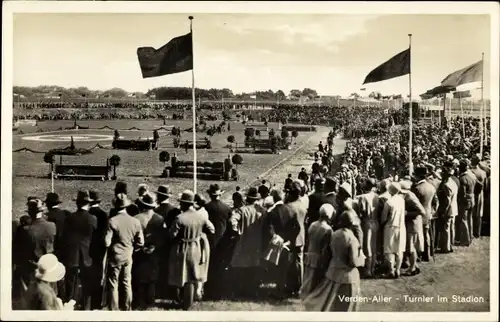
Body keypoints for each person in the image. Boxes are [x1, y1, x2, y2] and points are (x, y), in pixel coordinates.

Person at [301, 208, 365, 311]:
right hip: (347, 278)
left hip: (332, 272)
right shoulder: (352, 239)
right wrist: (362, 260)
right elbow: (353, 261)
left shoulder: (335, 234)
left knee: (330, 301)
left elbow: (328, 252)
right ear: (351, 224)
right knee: (345, 306)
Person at [168, 190, 215, 310]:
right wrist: (201, 234)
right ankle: (190, 300)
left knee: (182, 274)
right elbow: (212, 229)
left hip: (182, 247)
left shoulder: (179, 218)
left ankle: (182, 299)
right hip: (196, 247)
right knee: (193, 274)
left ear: (184, 204)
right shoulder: (201, 216)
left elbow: (171, 235)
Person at [105, 193, 144, 311]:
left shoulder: (112, 221)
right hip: (128, 254)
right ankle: (128, 307)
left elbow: (107, 242)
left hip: (115, 256)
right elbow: (141, 242)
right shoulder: (135, 221)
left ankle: (114, 308)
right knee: (127, 282)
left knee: (113, 283)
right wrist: (133, 248)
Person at [60, 191, 97, 310]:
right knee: (86, 280)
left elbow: (64, 236)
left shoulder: (70, 218)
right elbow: (94, 237)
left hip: (72, 252)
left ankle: (70, 303)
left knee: (71, 280)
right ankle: (86, 305)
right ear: (88, 204)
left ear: (77, 203)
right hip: (87, 253)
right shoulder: (92, 219)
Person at [262, 189, 300, 299]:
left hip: (276, 245)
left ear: (274, 198)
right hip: (287, 244)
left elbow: (269, 230)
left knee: (277, 269)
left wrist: (276, 239)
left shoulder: (271, 213)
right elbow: (296, 228)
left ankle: (278, 291)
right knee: (286, 267)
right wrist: (289, 240)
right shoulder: (291, 210)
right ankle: (285, 290)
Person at [14, 199, 56, 298]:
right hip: (48, 267)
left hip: (31, 268)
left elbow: (18, 251)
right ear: (41, 212)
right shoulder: (52, 226)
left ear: (30, 213)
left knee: (31, 298)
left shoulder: (25, 230)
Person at [229, 187, 265, 295]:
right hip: (257, 241)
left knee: (242, 264)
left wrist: (236, 231)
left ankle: (241, 288)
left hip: (244, 240)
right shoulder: (262, 211)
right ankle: (253, 289)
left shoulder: (242, 210)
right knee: (254, 264)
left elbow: (232, 220)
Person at [133, 192, 164, 310]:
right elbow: (162, 237)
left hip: (139, 251)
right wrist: (154, 247)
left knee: (139, 276)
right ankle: (150, 301)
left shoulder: (136, 218)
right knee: (152, 277)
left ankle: (139, 301)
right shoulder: (159, 219)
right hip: (154, 251)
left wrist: (140, 247)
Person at [203, 184, 232, 299]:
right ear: (220, 194)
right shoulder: (226, 208)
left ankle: (209, 291)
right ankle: (219, 292)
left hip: (209, 240)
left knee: (209, 267)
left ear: (210, 194)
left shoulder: (206, 207)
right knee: (220, 267)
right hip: (222, 241)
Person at [300, 204, 334, 301]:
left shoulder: (312, 225)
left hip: (310, 254)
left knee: (308, 278)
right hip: (319, 256)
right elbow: (325, 248)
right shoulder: (328, 229)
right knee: (316, 280)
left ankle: (305, 296)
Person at [284, 182, 308, 297]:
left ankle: (291, 286)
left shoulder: (289, 206)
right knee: (299, 262)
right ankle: (299, 286)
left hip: (290, 237)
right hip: (301, 236)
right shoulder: (303, 204)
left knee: (290, 263)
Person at [411, 167, 439, 262]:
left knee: (418, 236)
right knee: (426, 234)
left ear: (418, 176)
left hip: (418, 215)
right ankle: (427, 254)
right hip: (428, 213)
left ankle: (419, 255)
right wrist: (432, 212)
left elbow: (413, 203)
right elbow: (436, 202)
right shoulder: (431, 186)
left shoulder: (416, 188)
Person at [399, 180, 425, 276]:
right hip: (411, 224)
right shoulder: (409, 195)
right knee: (411, 246)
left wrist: (407, 214)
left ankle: (413, 267)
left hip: (413, 224)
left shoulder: (410, 197)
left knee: (411, 247)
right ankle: (414, 265)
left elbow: (422, 211)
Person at [380, 182, 406, 278]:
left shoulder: (389, 202)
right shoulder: (402, 200)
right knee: (399, 249)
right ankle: (398, 270)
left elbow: (383, 217)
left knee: (389, 250)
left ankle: (391, 270)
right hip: (401, 226)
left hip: (390, 227)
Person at [88, 190, 108, 310]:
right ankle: (98, 301)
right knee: (99, 275)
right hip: (99, 248)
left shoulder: (89, 213)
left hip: (88, 247)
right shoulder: (103, 215)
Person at [357, 178, 380, 278]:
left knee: (367, 246)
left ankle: (368, 269)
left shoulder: (363, 197)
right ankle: (373, 268)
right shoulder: (376, 196)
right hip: (375, 221)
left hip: (367, 221)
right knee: (373, 245)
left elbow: (360, 211)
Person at [436, 162, 459, 254]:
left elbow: (447, 200)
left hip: (449, 209)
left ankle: (445, 247)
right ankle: (450, 245)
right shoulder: (453, 183)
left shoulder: (446, 185)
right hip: (453, 207)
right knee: (450, 228)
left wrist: (444, 211)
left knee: (446, 228)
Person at [456, 159, 476, 246]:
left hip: (465, 201)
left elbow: (462, 193)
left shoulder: (462, 178)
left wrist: (460, 201)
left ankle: (465, 240)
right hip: (472, 199)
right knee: (469, 219)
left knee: (463, 220)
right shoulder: (471, 176)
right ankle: (470, 236)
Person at [469, 154, 486, 239]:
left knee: (472, 213)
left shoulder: (471, 171)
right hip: (481, 194)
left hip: (473, 192)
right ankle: (477, 232)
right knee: (479, 213)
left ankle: (472, 232)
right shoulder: (483, 172)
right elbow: (485, 186)